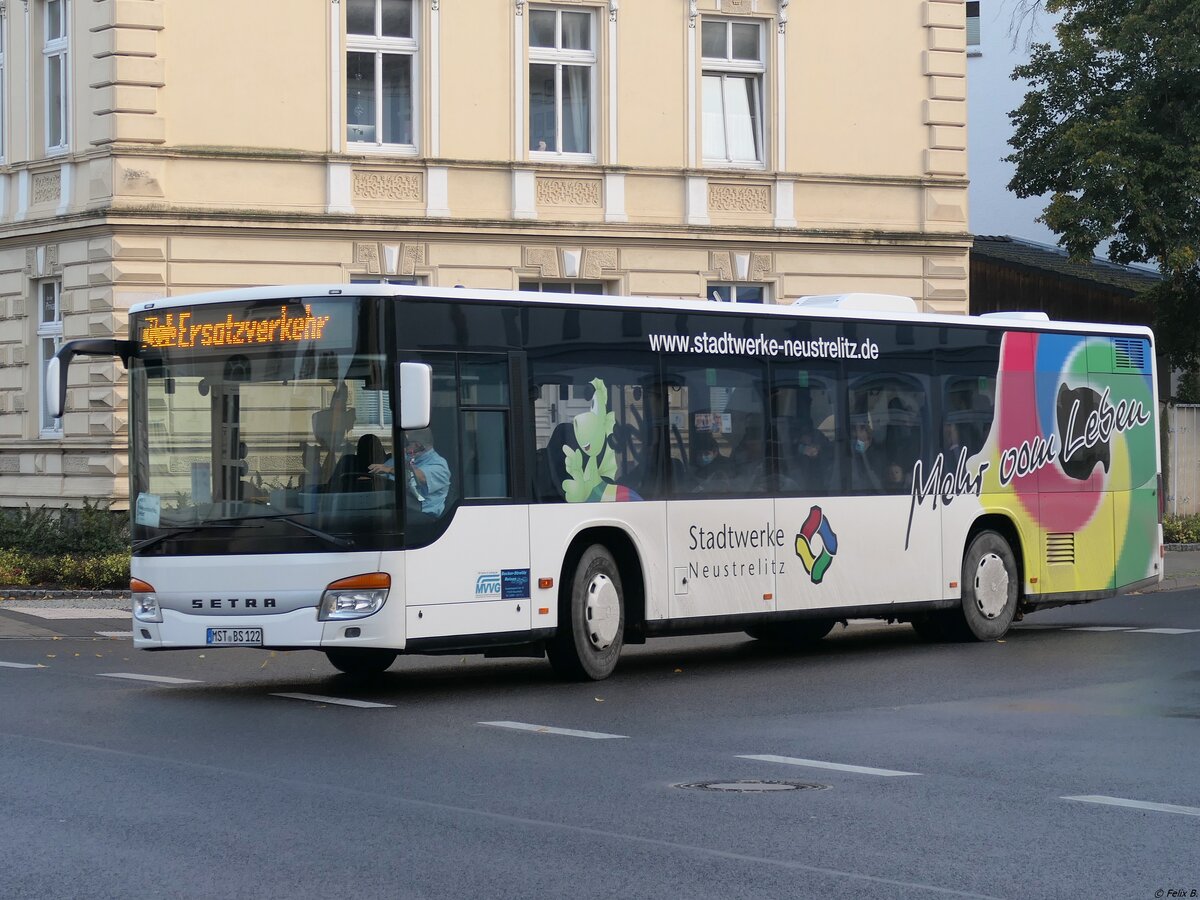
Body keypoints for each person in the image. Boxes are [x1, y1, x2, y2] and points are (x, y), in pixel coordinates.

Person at [369, 427, 451, 517]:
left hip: (424, 515)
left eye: (406, 444)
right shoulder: (408, 457)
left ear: (417, 445)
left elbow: (418, 476)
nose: (404, 447)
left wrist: (390, 470)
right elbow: (382, 470)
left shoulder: (439, 465)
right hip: (402, 507)